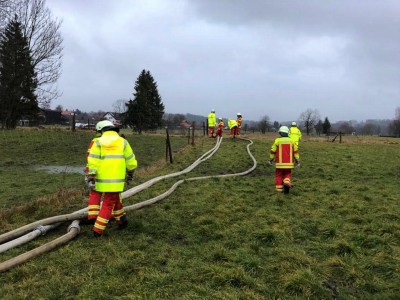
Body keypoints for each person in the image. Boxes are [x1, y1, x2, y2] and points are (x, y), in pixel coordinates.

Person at [87, 120, 138, 237]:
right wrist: (130, 172)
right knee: (109, 202)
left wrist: (92, 174)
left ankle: (122, 220)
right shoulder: (123, 142)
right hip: (116, 181)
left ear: (102, 131)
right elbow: (131, 162)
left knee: (114, 200)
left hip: (100, 179)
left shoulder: (98, 142)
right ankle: (97, 230)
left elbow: (92, 160)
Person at [269, 126, 300, 194]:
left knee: (279, 175)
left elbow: (272, 151)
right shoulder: (292, 141)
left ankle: (279, 190)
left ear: (280, 133)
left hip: (279, 163)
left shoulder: (277, 141)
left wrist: (271, 159)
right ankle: (286, 183)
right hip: (289, 164)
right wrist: (297, 160)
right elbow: (296, 151)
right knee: (287, 174)